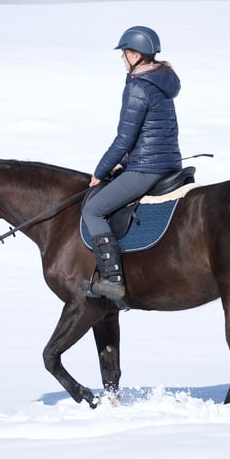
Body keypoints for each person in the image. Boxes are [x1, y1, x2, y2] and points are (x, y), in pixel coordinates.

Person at [82, 26, 182, 304]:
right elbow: (146, 133)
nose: (123, 61)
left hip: (148, 168)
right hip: (167, 162)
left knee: (93, 209)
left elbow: (124, 138)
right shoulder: (162, 81)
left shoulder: (139, 86)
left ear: (136, 55)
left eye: (124, 54)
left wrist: (100, 172)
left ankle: (113, 281)